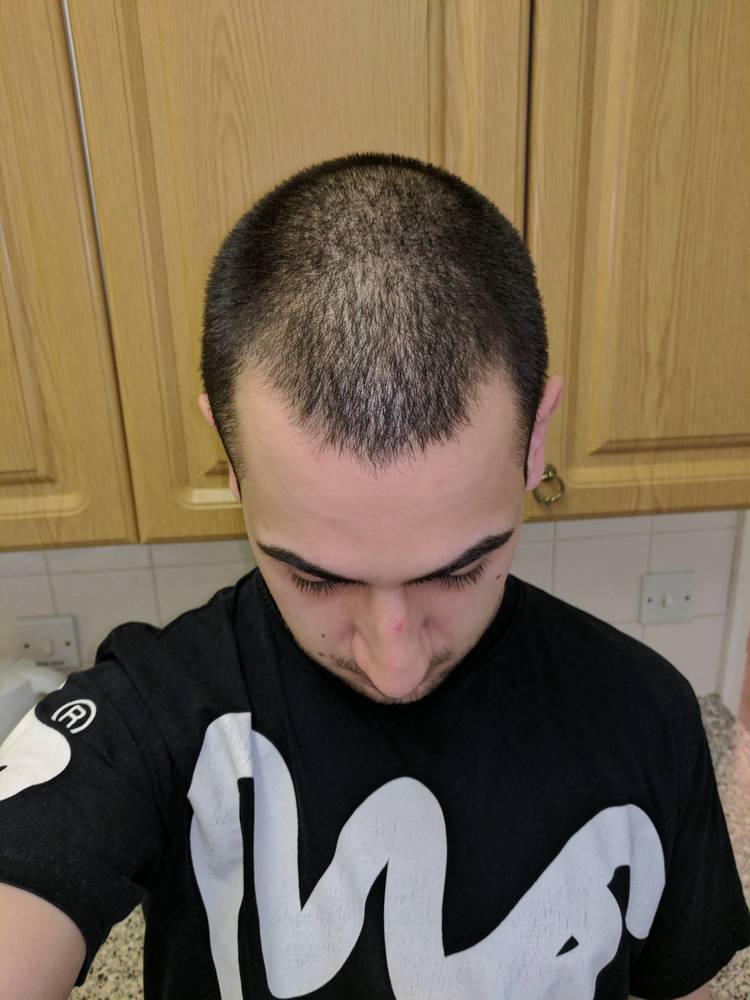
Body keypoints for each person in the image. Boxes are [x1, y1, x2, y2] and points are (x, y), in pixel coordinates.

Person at [0, 152, 747, 1000]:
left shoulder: (645, 716)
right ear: (231, 459)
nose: (396, 665)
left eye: (460, 570)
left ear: (537, 438)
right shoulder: (154, 721)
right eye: (316, 580)